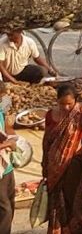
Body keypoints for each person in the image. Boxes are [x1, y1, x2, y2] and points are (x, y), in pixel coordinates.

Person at [43, 84, 82, 233]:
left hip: (74, 162)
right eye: (62, 104)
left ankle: (78, 228)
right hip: (54, 165)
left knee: (75, 197)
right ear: (57, 101)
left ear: (75, 101)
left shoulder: (81, 111)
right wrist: (45, 163)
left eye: (69, 104)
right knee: (57, 198)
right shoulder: (50, 115)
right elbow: (47, 141)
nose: (66, 107)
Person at [0, 82, 17, 232]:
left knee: (10, 202)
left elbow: (6, 130)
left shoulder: (1, 111)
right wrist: (8, 144)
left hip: (6, 166)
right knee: (4, 209)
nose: (1, 101)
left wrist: (11, 133)